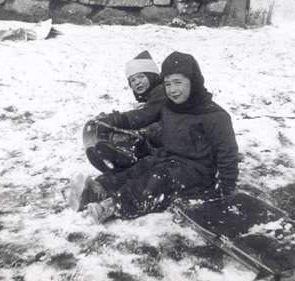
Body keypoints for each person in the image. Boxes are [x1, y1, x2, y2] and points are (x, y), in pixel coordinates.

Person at [69, 51, 239, 223]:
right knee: (142, 167)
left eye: (178, 83)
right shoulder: (169, 106)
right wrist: (115, 120)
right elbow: (143, 116)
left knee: (156, 179)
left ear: (193, 82)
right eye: (168, 84)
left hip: (197, 171)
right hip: (168, 158)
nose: (173, 90)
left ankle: (114, 205)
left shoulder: (214, 115)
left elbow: (228, 153)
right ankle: (98, 188)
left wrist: (226, 188)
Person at [83, 50, 166, 173]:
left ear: (152, 76)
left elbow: (146, 115)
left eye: (141, 76)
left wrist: (118, 119)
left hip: (170, 135)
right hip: (163, 134)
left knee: (143, 133)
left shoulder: (161, 91)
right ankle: (120, 155)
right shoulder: (154, 95)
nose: (137, 82)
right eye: (132, 80)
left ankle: (128, 156)